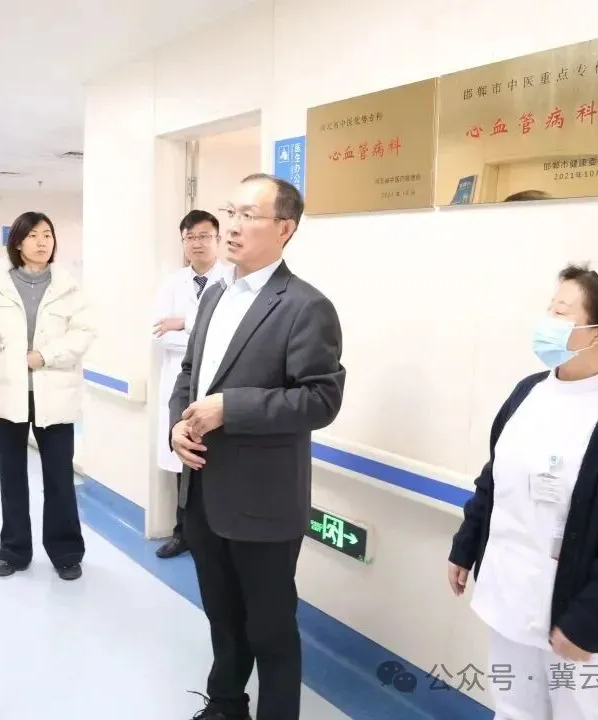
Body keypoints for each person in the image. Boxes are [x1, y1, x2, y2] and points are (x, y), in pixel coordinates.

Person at [448, 265, 598, 720]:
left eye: (561, 312)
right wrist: (466, 544)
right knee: (513, 710)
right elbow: (495, 478)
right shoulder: (527, 394)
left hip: (588, 623)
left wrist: (589, 620)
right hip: (512, 600)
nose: (547, 321)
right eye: (550, 308)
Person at [169, 174, 345, 720]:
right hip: (204, 492)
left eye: (250, 215)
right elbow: (190, 373)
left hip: (263, 503)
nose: (233, 226)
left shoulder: (305, 306)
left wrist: (231, 408)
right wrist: (177, 425)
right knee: (222, 617)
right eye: (232, 212)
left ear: (285, 229)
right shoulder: (215, 294)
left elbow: (320, 400)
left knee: (269, 629)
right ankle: (226, 705)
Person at [0, 211, 96, 581]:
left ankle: (66, 552)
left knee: (59, 478)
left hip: (53, 394)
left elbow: (84, 333)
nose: (43, 242)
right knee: (11, 478)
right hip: (8, 395)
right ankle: (14, 551)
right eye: (34, 235)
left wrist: (46, 356)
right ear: (18, 242)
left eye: (48, 235)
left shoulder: (68, 286)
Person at [152, 209, 224, 559]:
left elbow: (225, 337)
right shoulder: (172, 283)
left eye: (204, 236)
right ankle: (183, 534)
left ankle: (214, 537)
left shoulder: (232, 280)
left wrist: (182, 323)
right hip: (180, 384)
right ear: (183, 242)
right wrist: (195, 331)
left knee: (215, 462)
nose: (197, 243)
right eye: (190, 237)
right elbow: (159, 335)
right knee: (183, 462)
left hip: (218, 388)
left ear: (218, 239)